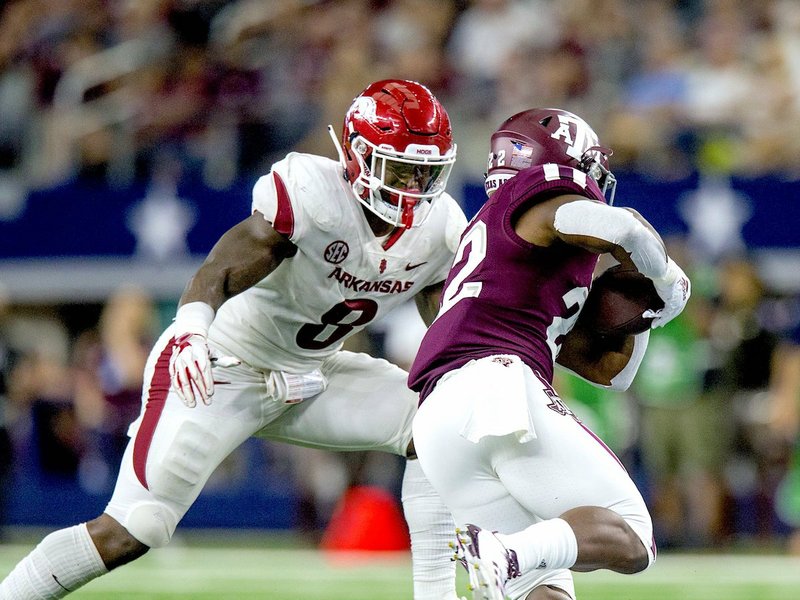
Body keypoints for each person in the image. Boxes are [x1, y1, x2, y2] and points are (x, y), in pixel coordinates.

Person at [0, 79, 467, 600]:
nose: (415, 185)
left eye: (426, 171)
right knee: (136, 528)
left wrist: (486, 372)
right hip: (223, 366)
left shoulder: (440, 228)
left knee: (434, 422)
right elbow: (222, 266)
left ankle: (438, 595)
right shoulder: (314, 196)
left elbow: (453, 331)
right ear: (357, 156)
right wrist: (193, 330)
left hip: (312, 376)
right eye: (401, 167)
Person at [408, 108, 691, 600]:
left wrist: (646, 310)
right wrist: (665, 277)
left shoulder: (512, 251)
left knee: (542, 588)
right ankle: (507, 551)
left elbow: (612, 373)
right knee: (633, 532)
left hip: (441, 422)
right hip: (493, 388)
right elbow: (623, 231)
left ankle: (510, 554)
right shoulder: (540, 191)